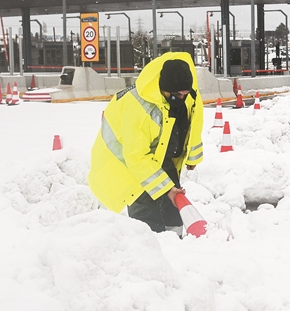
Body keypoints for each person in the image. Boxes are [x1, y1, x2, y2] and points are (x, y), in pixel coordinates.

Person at [87, 52, 204, 235]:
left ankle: (174, 247)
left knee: (173, 209)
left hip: (153, 156)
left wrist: (192, 157)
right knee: (148, 217)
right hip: (124, 165)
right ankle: (151, 251)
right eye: (178, 95)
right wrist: (167, 189)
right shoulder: (138, 107)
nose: (182, 98)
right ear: (165, 89)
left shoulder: (183, 96)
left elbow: (194, 118)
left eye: (185, 94)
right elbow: (136, 157)